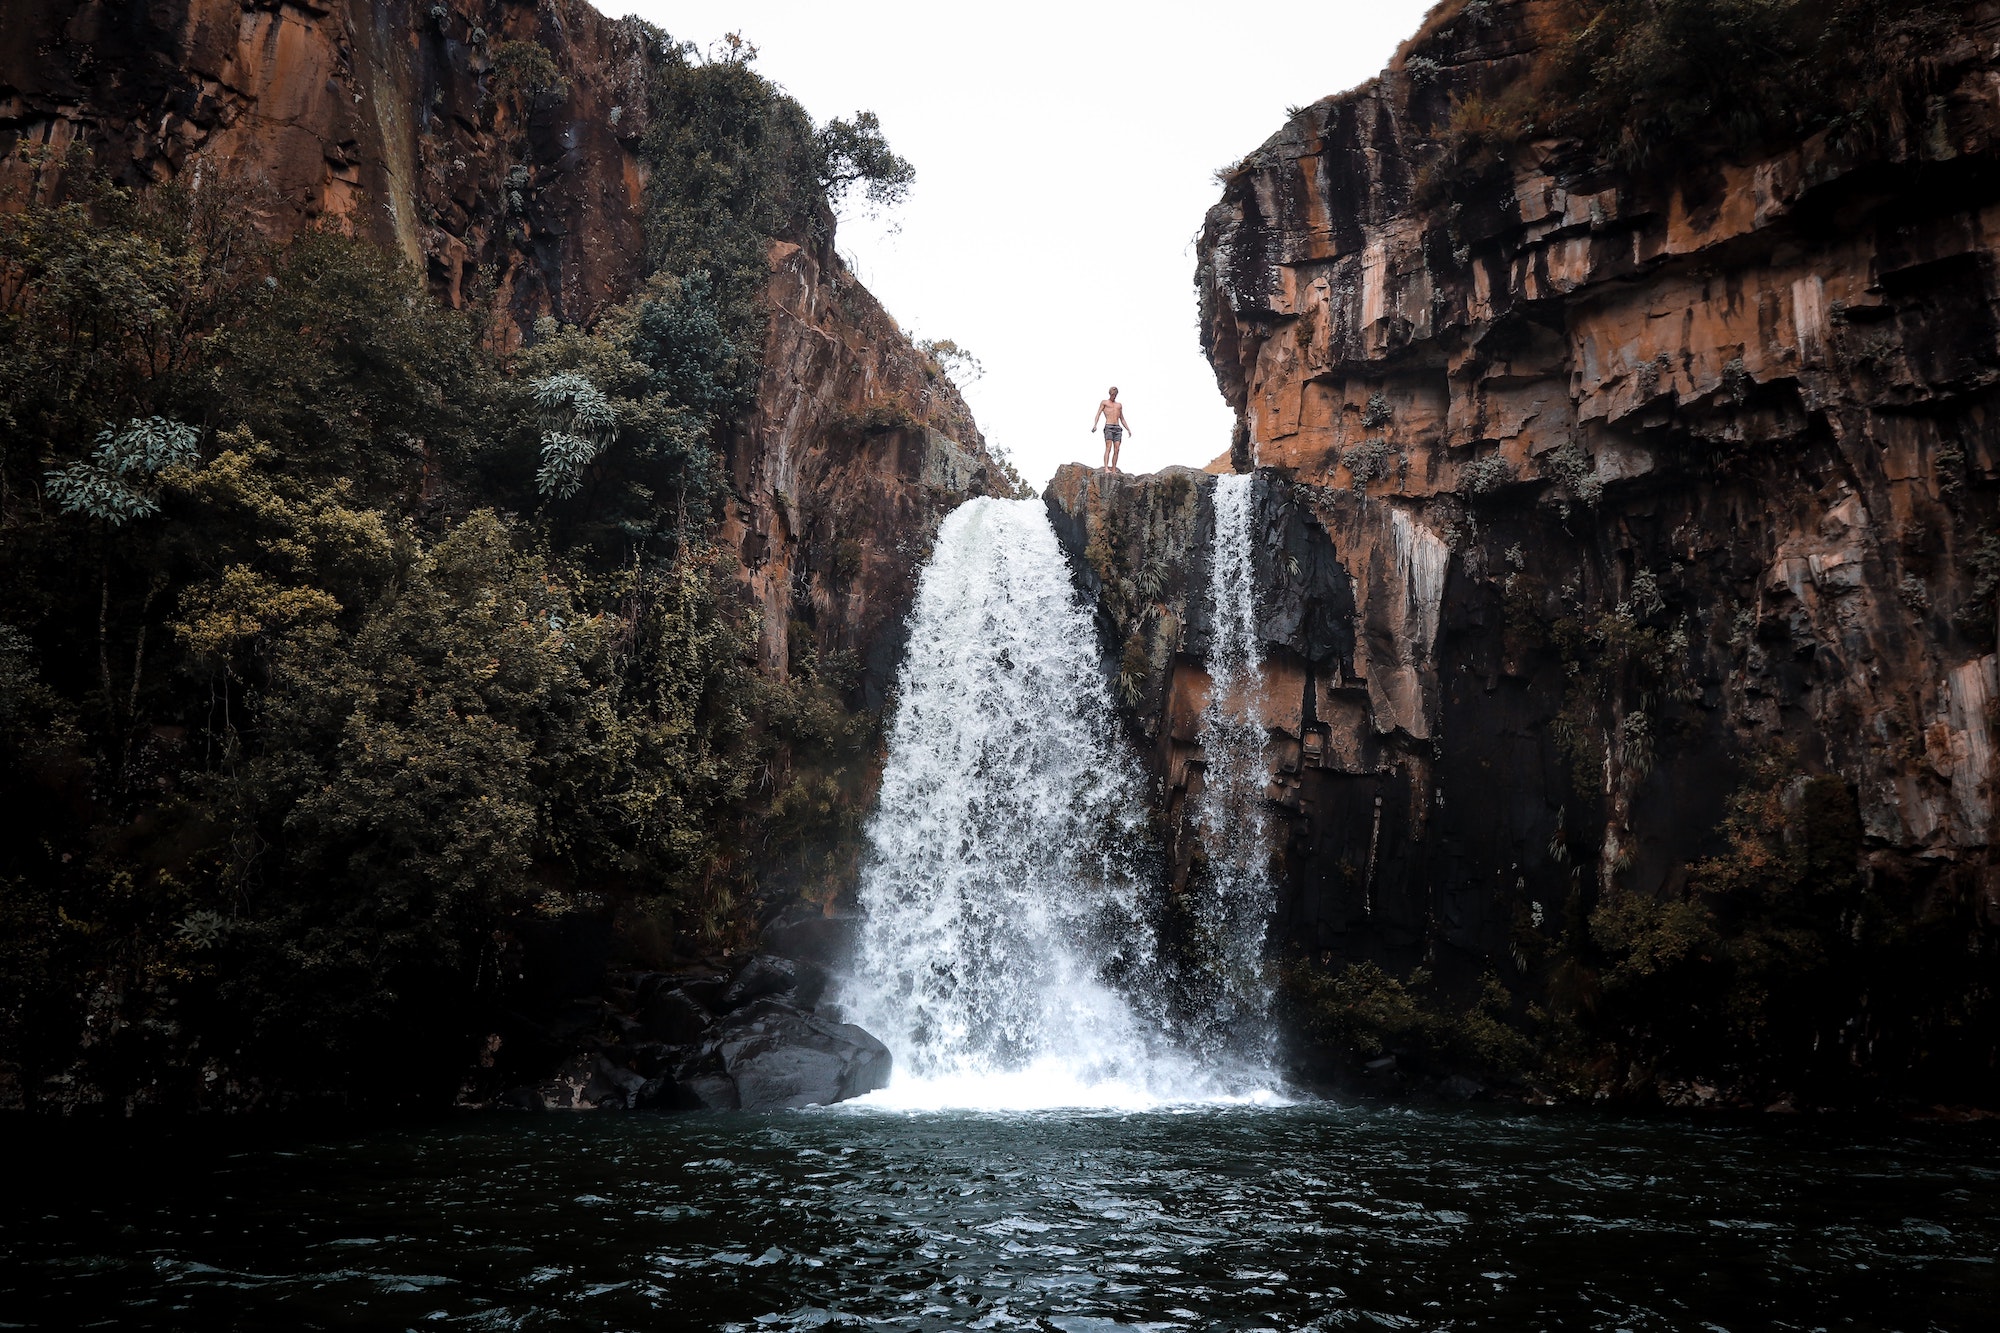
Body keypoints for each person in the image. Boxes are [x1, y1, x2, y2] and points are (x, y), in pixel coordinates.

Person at [1090, 387, 1133, 471]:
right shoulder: (1104, 403)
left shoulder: (1119, 405)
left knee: (1117, 448)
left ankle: (1113, 468)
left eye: (1115, 395)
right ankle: (1106, 467)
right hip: (1109, 426)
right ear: (1110, 394)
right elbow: (1098, 414)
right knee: (1108, 447)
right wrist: (1095, 425)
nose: (1114, 396)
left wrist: (1128, 429)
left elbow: (1122, 418)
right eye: (1113, 394)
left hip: (1117, 427)